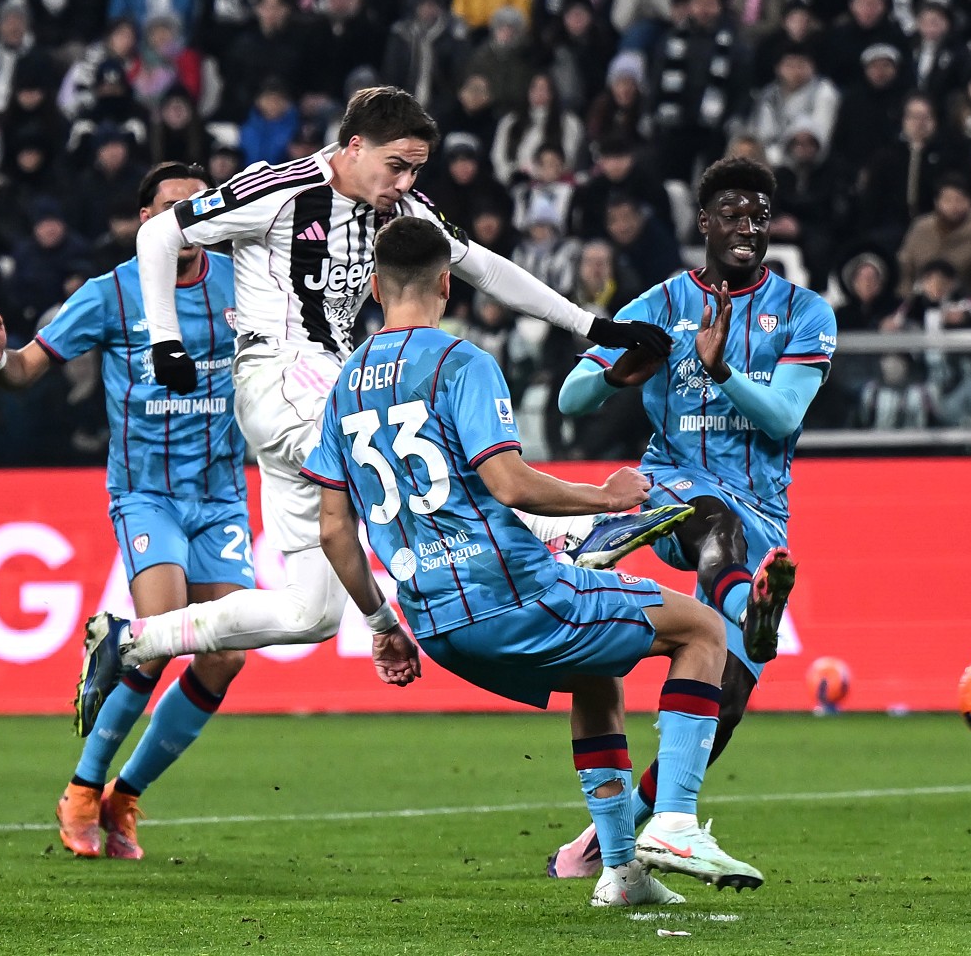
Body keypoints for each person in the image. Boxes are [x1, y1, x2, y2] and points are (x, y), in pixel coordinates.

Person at [75, 87, 678, 703]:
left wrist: (593, 327)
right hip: (280, 371)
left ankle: (133, 639)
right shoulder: (278, 189)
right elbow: (159, 238)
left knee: (309, 613)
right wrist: (164, 342)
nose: (405, 181)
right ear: (354, 146)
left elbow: (488, 268)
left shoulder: (404, 207)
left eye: (416, 168)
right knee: (403, 436)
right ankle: (565, 535)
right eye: (397, 165)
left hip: (312, 398)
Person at [304, 215, 763, 906]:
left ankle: (620, 872)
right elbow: (510, 484)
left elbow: (335, 531)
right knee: (703, 630)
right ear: (446, 286)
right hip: (512, 594)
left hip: (431, 621)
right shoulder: (462, 363)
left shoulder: (345, 386)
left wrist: (381, 624)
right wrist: (606, 498)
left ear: (372, 286)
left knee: (595, 673)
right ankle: (670, 823)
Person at [546, 157, 837, 878]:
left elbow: (784, 414)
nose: (747, 227)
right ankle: (751, 608)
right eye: (733, 214)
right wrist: (616, 372)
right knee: (713, 522)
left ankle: (604, 844)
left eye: (759, 215)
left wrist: (720, 371)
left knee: (726, 700)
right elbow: (569, 400)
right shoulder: (657, 304)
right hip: (674, 488)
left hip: (763, 509)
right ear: (703, 223)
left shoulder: (804, 313)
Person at [0, 162, 251, 862]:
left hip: (222, 495)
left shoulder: (242, 284)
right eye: (169, 207)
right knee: (162, 635)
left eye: (198, 207)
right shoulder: (110, 294)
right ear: (144, 219)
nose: (185, 218)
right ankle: (81, 789)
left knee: (229, 657)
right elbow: (28, 369)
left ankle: (125, 794)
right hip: (147, 493)